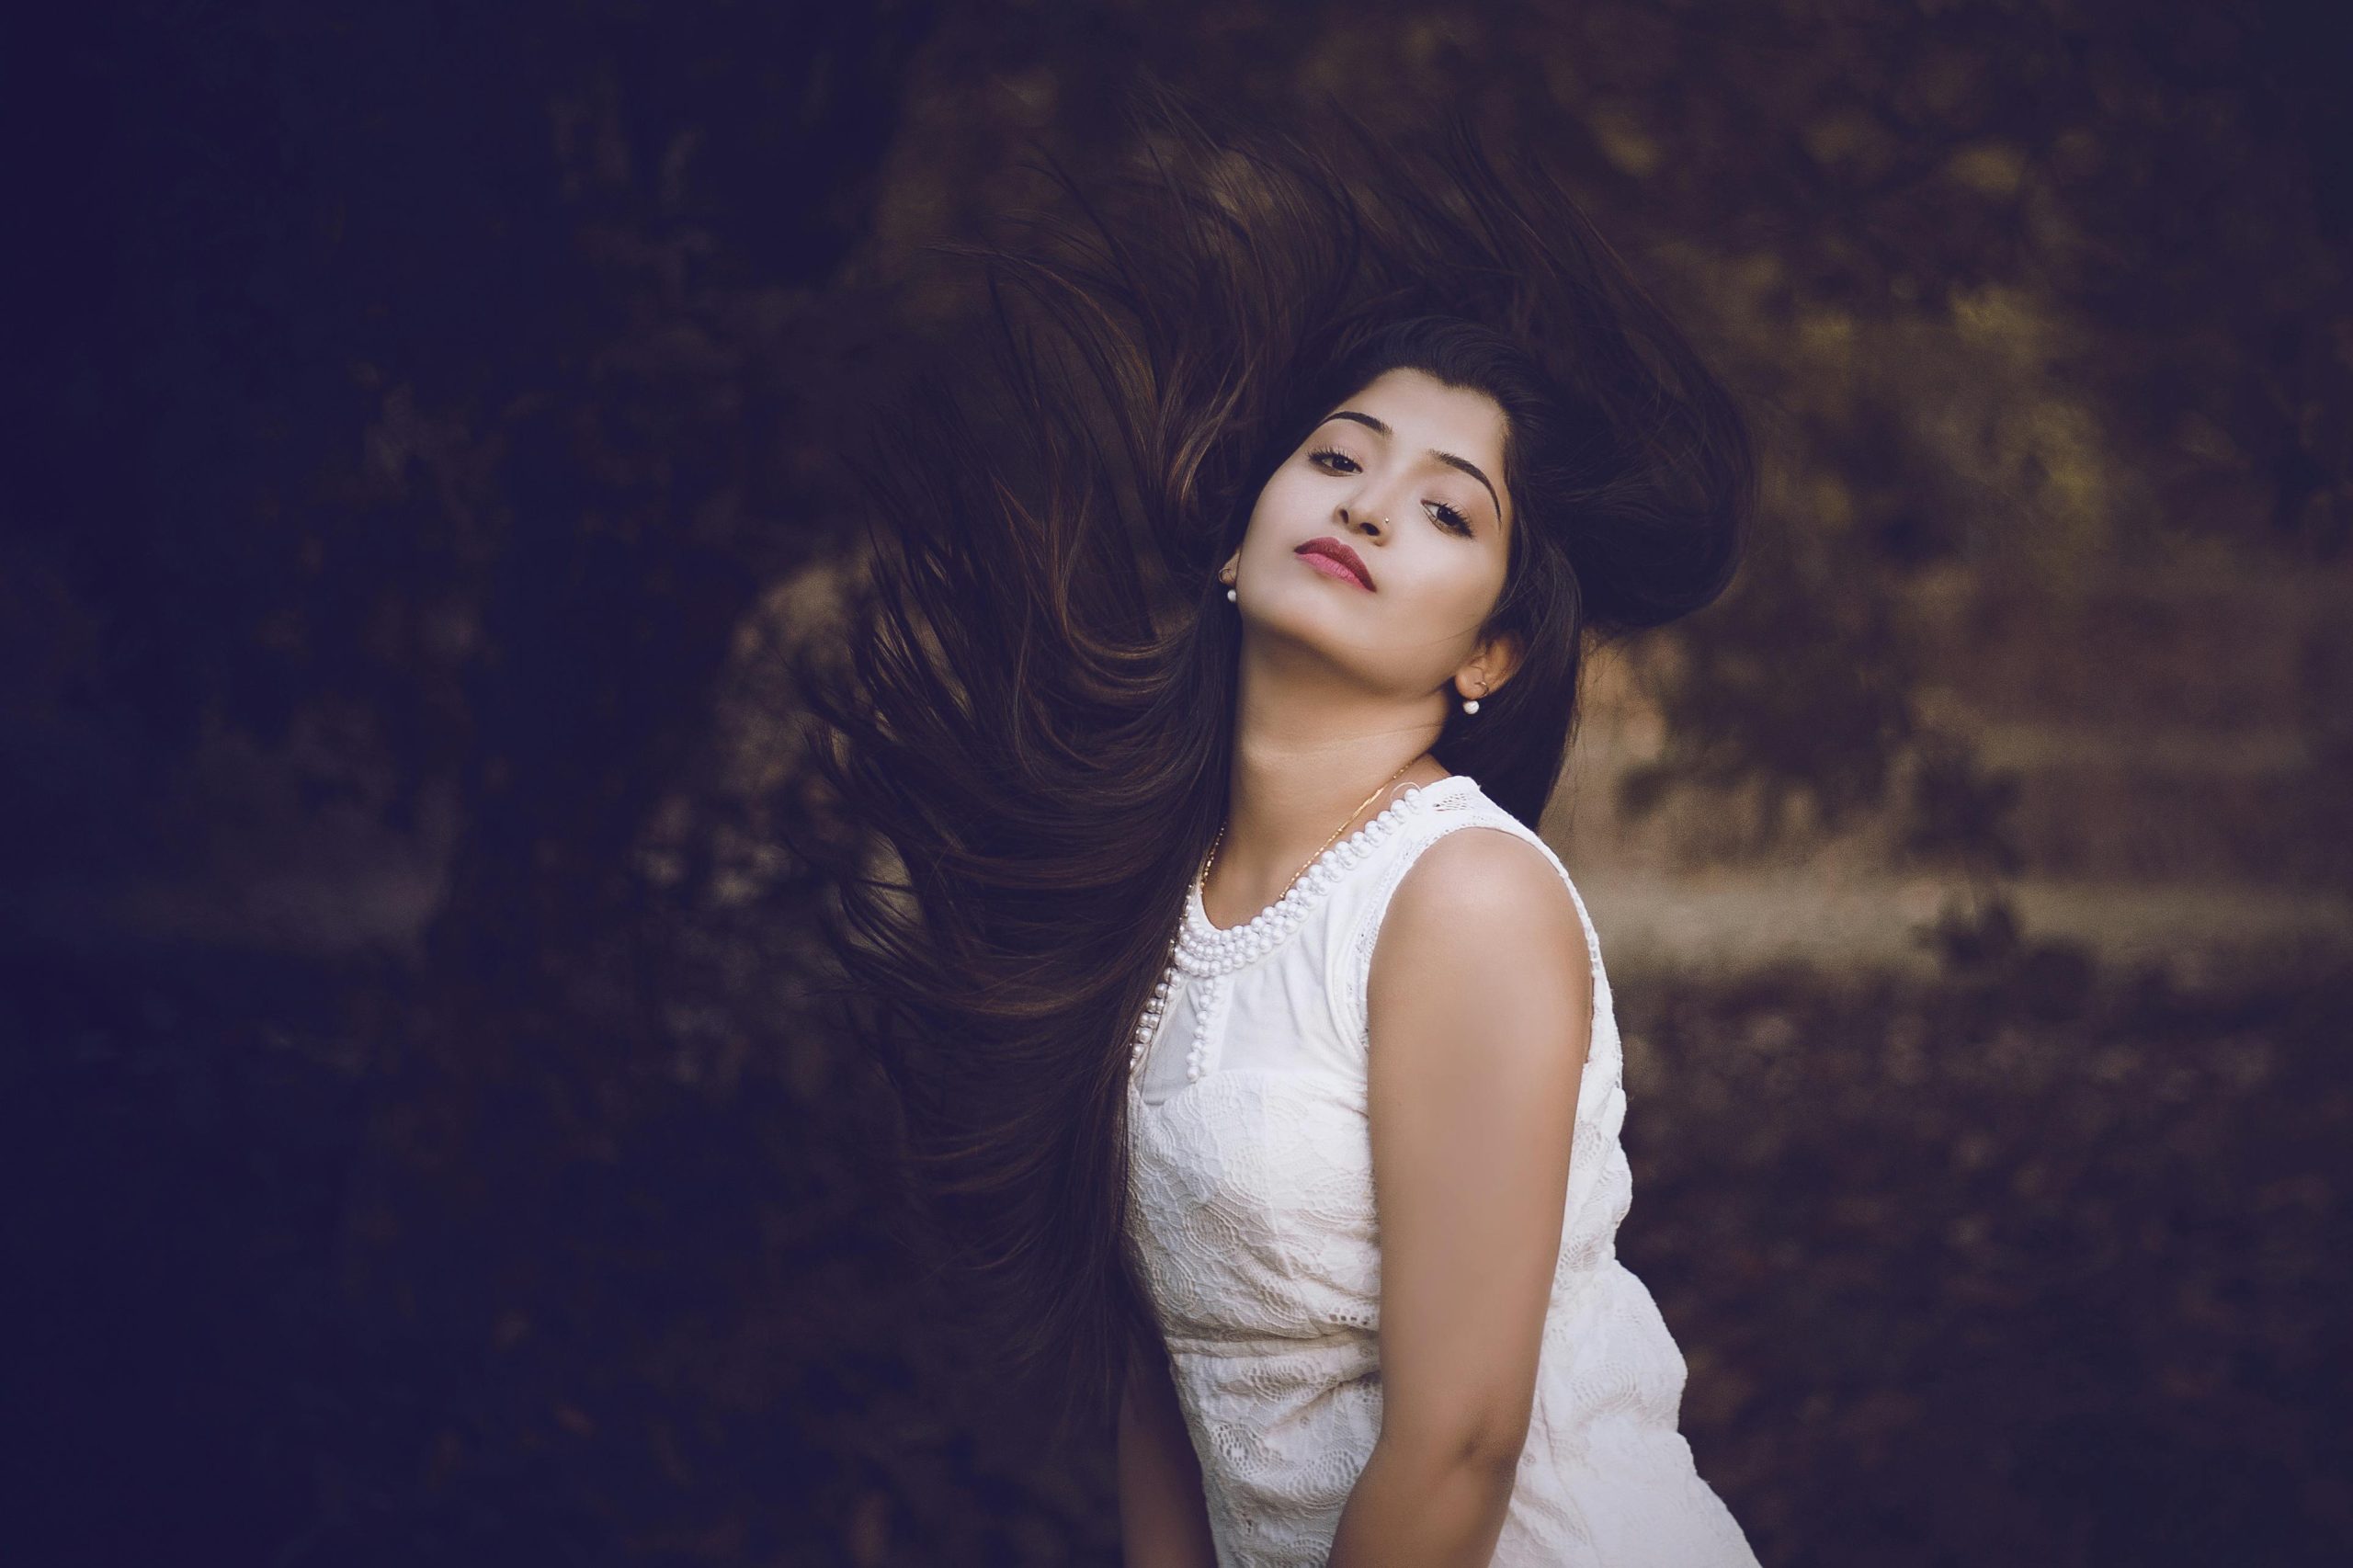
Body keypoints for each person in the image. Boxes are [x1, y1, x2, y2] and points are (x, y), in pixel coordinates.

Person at [798, 82, 1763, 1565]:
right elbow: (1167, 1385)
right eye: (1337, 456)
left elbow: (1459, 1441)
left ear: (1490, 651)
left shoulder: (1464, 897)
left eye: (1448, 511)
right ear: (1239, 545)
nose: (1369, 505)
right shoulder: (1159, 897)